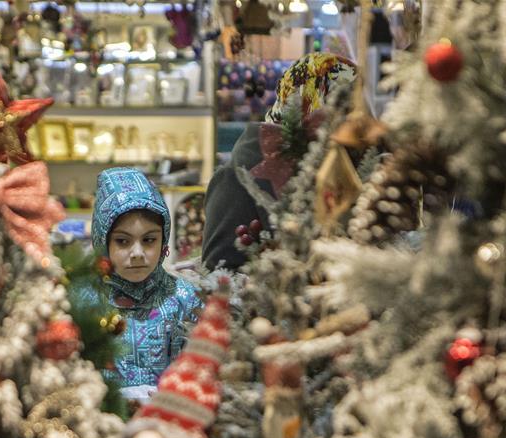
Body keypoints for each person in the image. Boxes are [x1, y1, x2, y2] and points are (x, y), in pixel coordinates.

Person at [202, 53, 357, 271]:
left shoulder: (351, 165)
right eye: (343, 106)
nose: (355, 119)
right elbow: (219, 277)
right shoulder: (238, 177)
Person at [91, 167, 202, 405]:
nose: (138, 253)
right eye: (123, 241)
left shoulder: (184, 298)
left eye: (149, 240)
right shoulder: (86, 301)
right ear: (103, 242)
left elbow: (202, 370)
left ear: (163, 241)